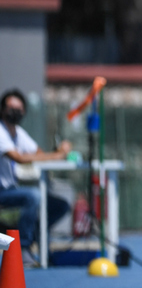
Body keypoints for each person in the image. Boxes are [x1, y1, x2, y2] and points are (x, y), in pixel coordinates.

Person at [0, 89, 72, 255]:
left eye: (19, 108)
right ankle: (23, 246)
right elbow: (19, 158)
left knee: (60, 205)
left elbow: (38, 153)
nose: (15, 112)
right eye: (11, 108)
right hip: (3, 191)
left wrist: (58, 152)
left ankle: (33, 232)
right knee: (34, 195)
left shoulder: (18, 133)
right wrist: (58, 155)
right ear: (2, 109)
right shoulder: (1, 131)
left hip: (11, 189)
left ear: (24, 111)